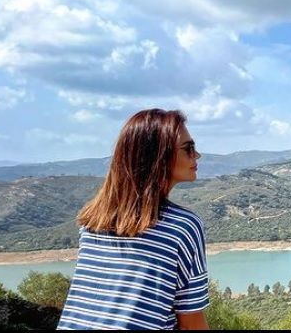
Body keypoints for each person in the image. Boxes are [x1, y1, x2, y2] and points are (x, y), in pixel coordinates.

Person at [57, 109, 210, 330]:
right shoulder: (182, 226)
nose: (196, 155)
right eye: (188, 148)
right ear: (158, 155)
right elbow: (191, 322)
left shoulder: (93, 220)